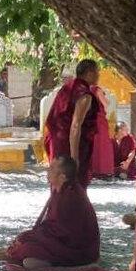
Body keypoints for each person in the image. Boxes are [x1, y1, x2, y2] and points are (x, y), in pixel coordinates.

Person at [0, 156, 100, 271]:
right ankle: (25, 255)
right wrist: (30, 235)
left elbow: (64, 234)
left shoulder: (71, 197)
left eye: (52, 169)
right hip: (62, 242)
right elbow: (50, 225)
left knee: (27, 249)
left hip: (78, 250)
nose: (47, 171)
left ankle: (38, 260)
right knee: (24, 241)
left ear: (62, 177)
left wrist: (32, 237)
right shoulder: (59, 190)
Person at [44, 59, 101, 187]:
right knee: (73, 181)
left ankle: (58, 205)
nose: (99, 75)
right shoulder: (84, 94)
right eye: (97, 71)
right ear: (89, 73)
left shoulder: (67, 87)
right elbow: (75, 125)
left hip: (57, 141)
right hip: (72, 144)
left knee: (58, 180)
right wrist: (74, 158)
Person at [87, 86, 115, 179]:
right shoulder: (97, 90)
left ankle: (92, 170)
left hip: (88, 120)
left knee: (92, 145)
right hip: (98, 120)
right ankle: (102, 170)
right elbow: (106, 103)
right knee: (102, 144)